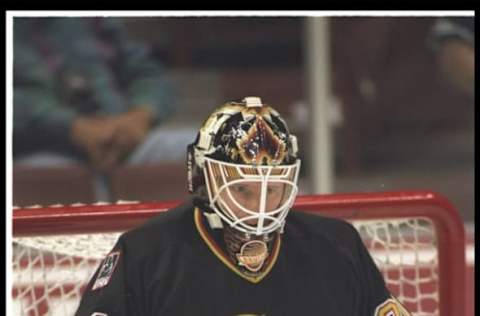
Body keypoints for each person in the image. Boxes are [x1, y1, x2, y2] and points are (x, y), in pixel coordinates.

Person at [75, 97, 411, 315]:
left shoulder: (338, 247)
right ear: (204, 179)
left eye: (274, 190)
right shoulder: (145, 255)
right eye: (244, 191)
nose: (261, 207)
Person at [13, 17, 186, 200]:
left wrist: (140, 116)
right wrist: (70, 127)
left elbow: (148, 74)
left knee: (206, 152)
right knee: (54, 178)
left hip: (121, 135)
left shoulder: (95, 21)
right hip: (39, 147)